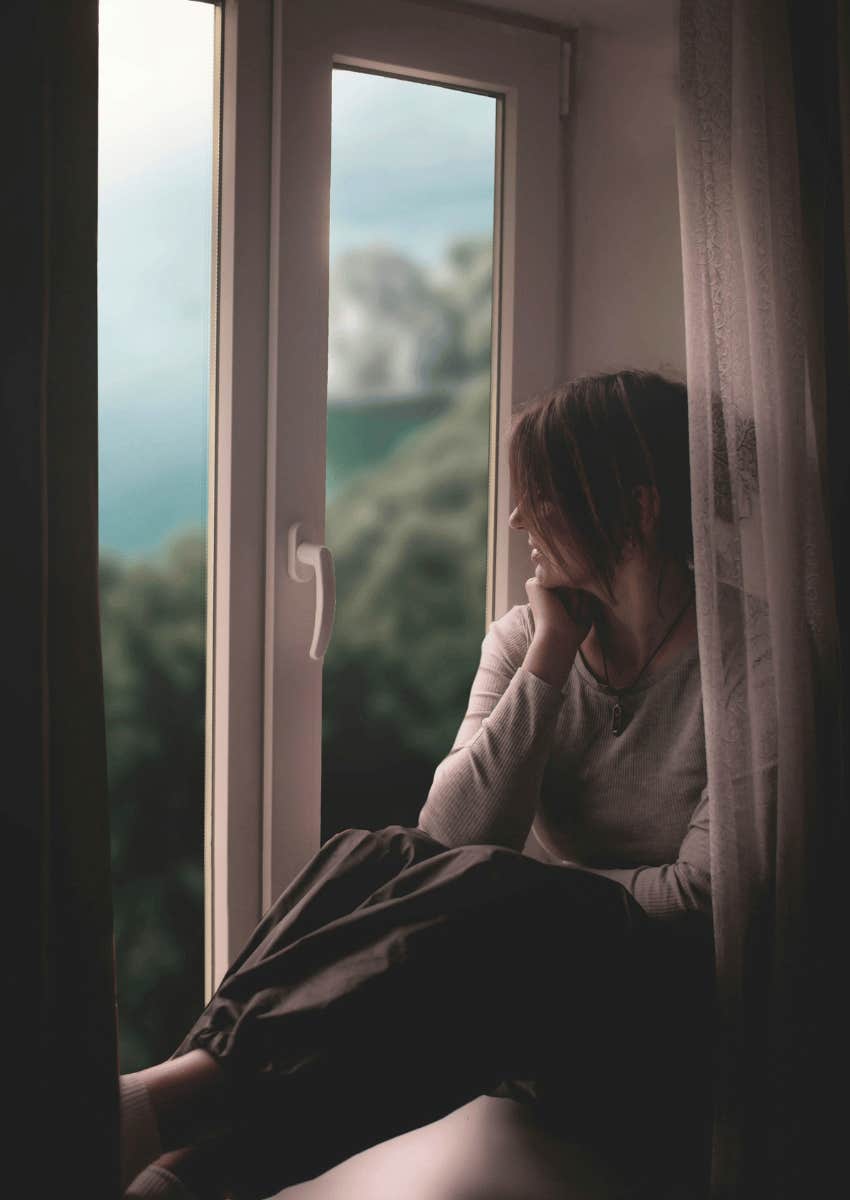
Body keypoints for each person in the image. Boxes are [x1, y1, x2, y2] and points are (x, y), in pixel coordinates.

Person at [119, 369, 715, 1200]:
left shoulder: (746, 663)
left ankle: (153, 1112)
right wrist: (547, 661)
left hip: (651, 1019)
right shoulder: (526, 639)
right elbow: (450, 840)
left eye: (543, 494)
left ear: (640, 509)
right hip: (522, 986)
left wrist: (530, 890)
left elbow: (699, 900)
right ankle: (179, 1159)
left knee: (502, 903)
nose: (518, 519)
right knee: (376, 854)